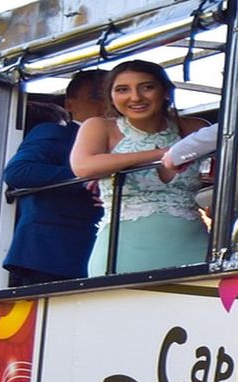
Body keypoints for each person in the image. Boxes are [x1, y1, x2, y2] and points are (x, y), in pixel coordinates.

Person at [70, 60, 212, 274]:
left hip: (193, 245)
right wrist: (162, 154)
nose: (135, 97)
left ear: (165, 92)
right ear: (111, 96)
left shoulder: (195, 128)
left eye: (147, 87)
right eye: (122, 90)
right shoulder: (100, 126)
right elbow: (83, 166)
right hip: (122, 250)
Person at [3, 70, 108, 286]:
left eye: (111, 95)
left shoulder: (127, 141)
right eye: (96, 97)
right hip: (54, 252)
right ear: (70, 104)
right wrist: (89, 177)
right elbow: (18, 171)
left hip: (109, 246)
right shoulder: (56, 133)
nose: (106, 105)